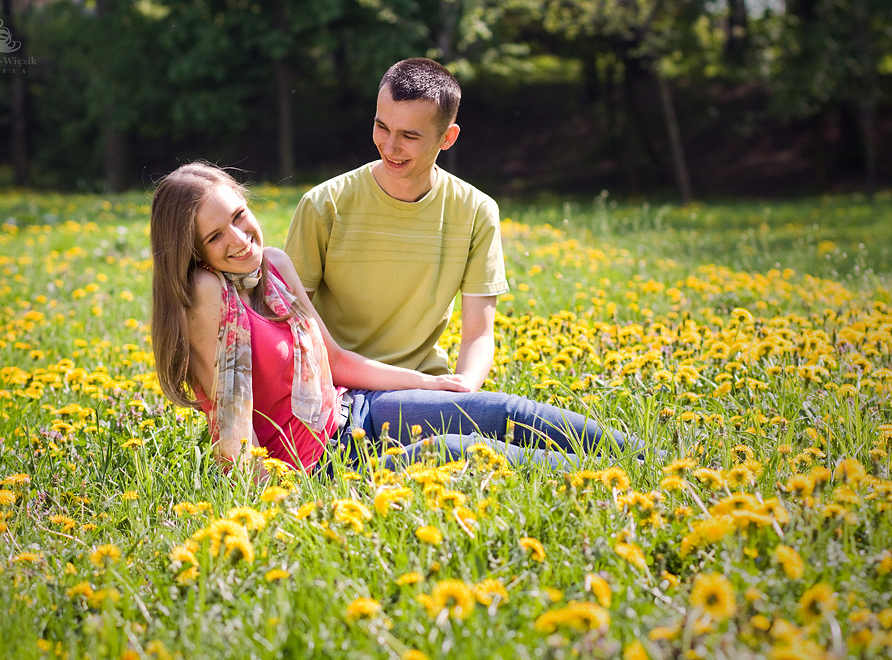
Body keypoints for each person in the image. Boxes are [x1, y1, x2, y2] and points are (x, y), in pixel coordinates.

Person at [151, 162, 634, 479]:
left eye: (239, 215)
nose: (240, 237)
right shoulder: (204, 292)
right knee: (457, 449)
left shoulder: (274, 265)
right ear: (193, 253)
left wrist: (429, 383)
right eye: (216, 236)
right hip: (317, 466)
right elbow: (233, 431)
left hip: (350, 414)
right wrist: (284, 501)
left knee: (499, 412)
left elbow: (334, 361)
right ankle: (611, 480)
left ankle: (643, 457)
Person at [284, 57, 506, 393]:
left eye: (409, 136)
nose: (390, 146)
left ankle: (611, 446)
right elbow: (287, 323)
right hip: (337, 387)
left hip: (426, 387)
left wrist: (464, 392)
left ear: (447, 138)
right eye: (382, 126)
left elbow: (478, 334)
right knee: (499, 422)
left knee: (502, 421)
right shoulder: (324, 204)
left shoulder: (476, 211)